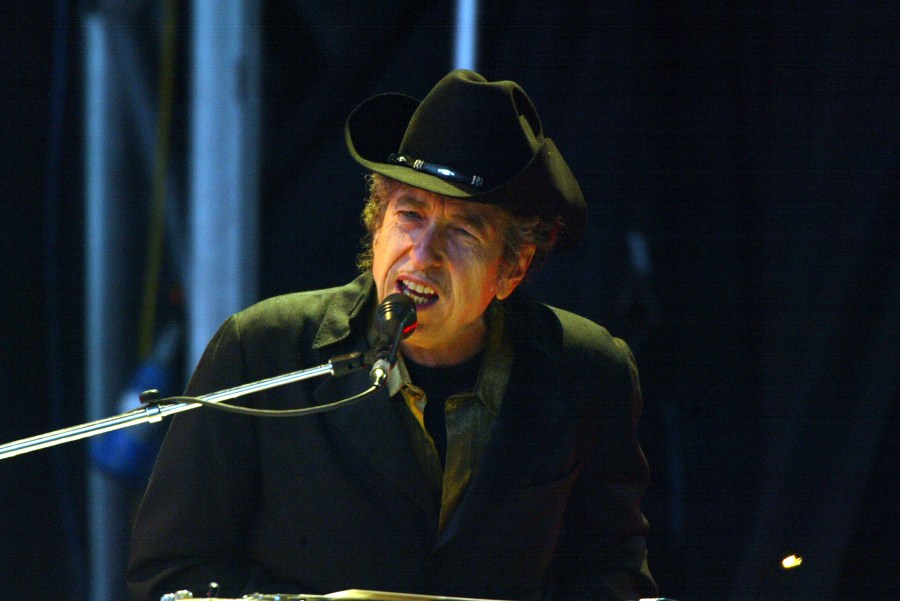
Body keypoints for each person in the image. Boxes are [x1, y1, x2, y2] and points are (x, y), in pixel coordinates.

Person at [126, 70, 658, 601]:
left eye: (464, 230)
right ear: (376, 226)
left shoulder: (589, 369)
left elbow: (614, 573)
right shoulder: (264, 348)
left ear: (512, 268)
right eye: (410, 215)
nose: (424, 255)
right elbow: (173, 573)